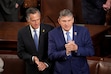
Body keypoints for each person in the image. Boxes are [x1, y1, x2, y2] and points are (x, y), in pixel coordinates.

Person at [48, 9, 94, 74]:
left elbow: (91, 51)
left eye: (69, 20)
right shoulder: (53, 34)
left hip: (80, 71)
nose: (66, 24)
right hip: (61, 71)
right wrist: (65, 52)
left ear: (73, 20)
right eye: (64, 21)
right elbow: (51, 55)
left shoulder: (83, 31)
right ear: (59, 21)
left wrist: (77, 48)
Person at [17, 7, 54, 74]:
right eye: (33, 20)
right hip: (31, 70)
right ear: (27, 20)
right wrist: (32, 58)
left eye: (38, 19)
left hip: (47, 69)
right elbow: (20, 52)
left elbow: (53, 50)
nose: (36, 23)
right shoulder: (22, 33)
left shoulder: (49, 30)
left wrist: (45, 64)